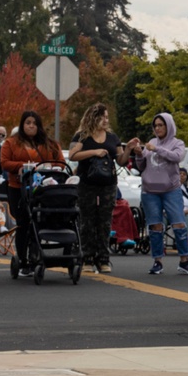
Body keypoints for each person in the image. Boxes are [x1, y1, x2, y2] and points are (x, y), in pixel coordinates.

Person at [69, 103, 135, 274]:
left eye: (107, 117)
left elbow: (120, 160)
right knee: (87, 220)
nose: (106, 120)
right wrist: (94, 152)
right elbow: (72, 155)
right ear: (93, 117)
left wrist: (128, 149)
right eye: (102, 117)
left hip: (108, 183)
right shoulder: (82, 136)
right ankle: (87, 259)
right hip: (87, 183)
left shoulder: (112, 137)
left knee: (105, 221)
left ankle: (103, 259)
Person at [133, 113, 188, 278]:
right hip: (150, 191)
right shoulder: (151, 142)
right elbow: (142, 166)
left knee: (179, 224)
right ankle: (157, 261)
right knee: (155, 226)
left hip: (171, 189)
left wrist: (157, 149)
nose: (157, 128)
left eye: (161, 125)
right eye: (155, 125)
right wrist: (139, 154)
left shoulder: (177, 143)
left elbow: (177, 157)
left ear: (169, 125)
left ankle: (184, 261)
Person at [2, 110, 64, 276]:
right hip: (18, 188)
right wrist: (23, 165)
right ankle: (22, 259)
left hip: (43, 189)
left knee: (38, 221)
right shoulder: (11, 143)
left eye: (34, 123)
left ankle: (35, 257)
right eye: (28, 123)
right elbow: (4, 162)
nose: (31, 126)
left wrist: (50, 168)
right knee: (23, 222)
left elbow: (61, 163)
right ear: (22, 125)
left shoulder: (48, 144)